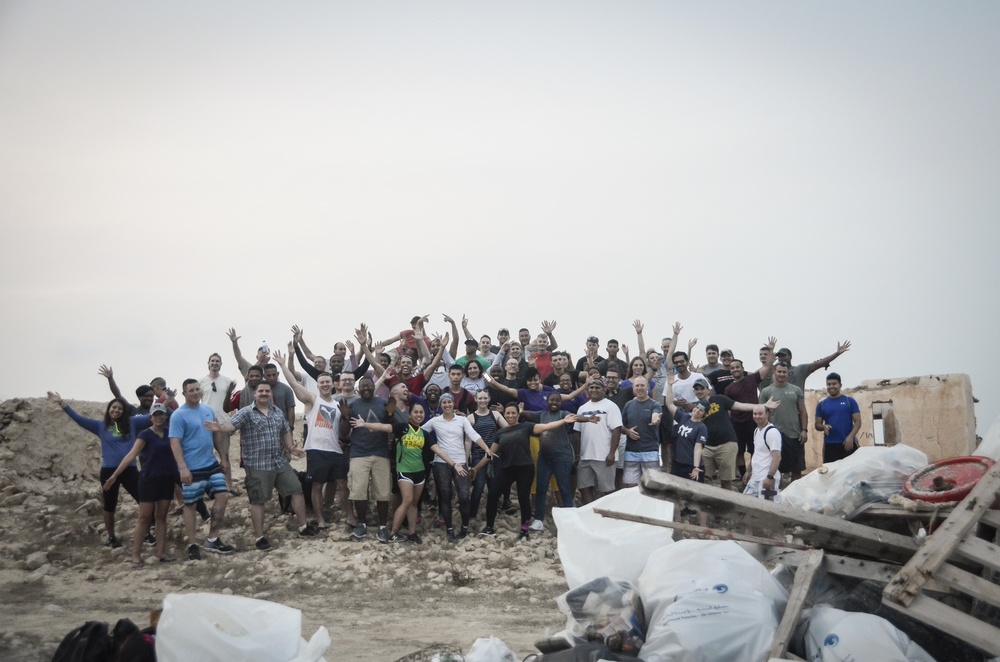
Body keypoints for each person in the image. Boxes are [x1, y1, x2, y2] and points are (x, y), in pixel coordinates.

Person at [207, 381, 319, 550]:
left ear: (271, 394)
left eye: (267, 391)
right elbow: (232, 424)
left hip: (278, 461)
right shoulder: (246, 412)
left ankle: (303, 527)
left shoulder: (277, 412)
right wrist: (220, 427)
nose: (265, 393)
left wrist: (290, 447)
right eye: (261, 391)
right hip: (257, 464)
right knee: (258, 501)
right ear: (255, 394)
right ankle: (260, 538)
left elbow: (284, 431)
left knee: (296, 490)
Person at [48, 391, 152, 548]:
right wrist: (61, 402)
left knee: (143, 500)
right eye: (113, 407)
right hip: (109, 470)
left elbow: (155, 415)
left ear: (124, 411)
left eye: (120, 408)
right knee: (110, 504)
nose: (116, 410)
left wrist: (167, 400)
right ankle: (111, 537)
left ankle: (146, 533)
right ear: (109, 409)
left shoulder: (132, 423)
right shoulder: (100, 426)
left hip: (129, 469)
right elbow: (78, 419)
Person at [273, 351, 349, 530]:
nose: (324, 384)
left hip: (335, 450)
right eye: (321, 382)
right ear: (317, 384)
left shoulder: (338, 405)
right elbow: (293, 383)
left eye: (327, 382)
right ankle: (320, 519)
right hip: (316, 450)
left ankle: (349, 516)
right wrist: (284, 365)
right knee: (317, 486)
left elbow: (343, 430)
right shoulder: (312, 400)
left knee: (343, 484)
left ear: (333, 385)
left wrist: (346, 422)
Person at [482, 403, 578, 539]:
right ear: (504, 415)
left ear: (518, 414)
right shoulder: (500, 432)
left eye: (513, 413)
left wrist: (563, 421)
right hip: (506, 469)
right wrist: (475, 468)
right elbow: (490, 453)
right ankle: (489, 527)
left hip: (524, 468)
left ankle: (524, 530)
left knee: (523, 499)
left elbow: (546, 426)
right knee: (492, 495)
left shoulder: (526, 427)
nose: (510, 415)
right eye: (508, 413)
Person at [101, 403, 177, 566]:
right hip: (149, 479)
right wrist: (115, 475)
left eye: (161, 414)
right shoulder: (145, 435)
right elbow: (131, 455)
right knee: (144, 517)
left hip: (166, 478)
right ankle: (136, 555)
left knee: (162, 517)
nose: (158, 417)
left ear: (165, 416)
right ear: (151, 417)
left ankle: (161, 552)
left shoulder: (171, 433)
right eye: (155, 415)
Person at [168, 379, 233, 560]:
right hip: (191, 468)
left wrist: (223, 457)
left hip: (210, 464)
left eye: (197, 389)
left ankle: (212, 538)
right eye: (191, 390)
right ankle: (192, 544)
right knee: (191, 505)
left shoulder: (208, 410)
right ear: (184, 393)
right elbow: (174, 442)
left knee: (223, 495)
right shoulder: (178, 415)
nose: (196, 393)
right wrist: (183, 468)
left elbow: (216, 435)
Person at [420, 393, 496, 541]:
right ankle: (449, 529)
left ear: (453, 404)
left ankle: (464, 527)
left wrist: (486, 448)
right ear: (441, 405)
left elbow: (473, 434)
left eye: (449, 402)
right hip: (441, 462)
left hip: (460, 461)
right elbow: (419, 432)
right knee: (446, 495)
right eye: (444, 403)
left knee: (463, 496)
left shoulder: (461, 420)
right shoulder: (434, 421)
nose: (447, 405)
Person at [339, 377, 393, 542]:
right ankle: (361, 524)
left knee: (383, 493)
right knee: (358, 491)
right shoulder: (353, 405)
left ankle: (382, 527)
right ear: (358, 389)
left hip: (381, 453)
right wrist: (346, 417)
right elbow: (343, 432)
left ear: (374, 387)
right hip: (358, 454)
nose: (366, 388)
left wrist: (391, 414)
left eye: (369, 385)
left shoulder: (383, 403)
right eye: (363, 386)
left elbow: (392, 427)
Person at [574, 378, 622, 504]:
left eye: (597, 387)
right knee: (584, 487)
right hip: (585, 457)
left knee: (607, 490)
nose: (594, 390)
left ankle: (610, 516)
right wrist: (578, 455)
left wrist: (612, 453)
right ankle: (590, 515)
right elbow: (577, 433)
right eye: (591, 387)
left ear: (604, 389)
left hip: (604, 456)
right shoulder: (582, 408)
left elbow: (617, 430)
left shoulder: (611, 406)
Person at [760, 362, 808, 483]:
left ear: (787, 373)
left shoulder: (795, 390)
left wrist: (804, 430)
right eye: (779, 371)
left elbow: (803, 411)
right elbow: (761, 413)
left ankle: (794, 496)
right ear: (774, 372)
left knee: (797, 470)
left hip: (795, 435)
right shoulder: (766, 391)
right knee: (776, 469)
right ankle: (776, 497)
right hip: (775, 436)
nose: (781, 374)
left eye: (784, 372)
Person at [467, 391, 507, 524]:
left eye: (485, 398)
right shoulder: (471, 418)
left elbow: (507, 430)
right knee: (478, 487)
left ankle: (493, 514)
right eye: (480, 398)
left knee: (494, 487)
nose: (483, 400)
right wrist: (467, 460)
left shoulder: (495, 414)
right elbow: (467, 441)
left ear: (489, 399)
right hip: (478, 455)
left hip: (495, 455)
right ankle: (472, 515)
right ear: (476, 399)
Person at [199, 353, 236, 492]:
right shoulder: (201, 382)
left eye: (217, 361)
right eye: (212, 361)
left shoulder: (227, 381)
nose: (215, 363)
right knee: (206, 455)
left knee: (224, 454)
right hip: (206, 423)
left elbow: (231, 405)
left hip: (222, 423)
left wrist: (233, 423)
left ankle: (229, 486)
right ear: (208, 363)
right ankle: (207, 486)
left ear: (221, 364)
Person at [620, 376, 663, 488]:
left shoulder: (655, 405)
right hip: (631, 451)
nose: (639, 388)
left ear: (647, 387)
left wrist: (655, 420)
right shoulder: (628, 405)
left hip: (650, 451)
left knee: (653, 486)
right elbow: (621, 426)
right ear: (633, 388)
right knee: (630, 486)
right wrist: (628, 432)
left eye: (642, 385)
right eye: (637, 385)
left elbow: (656, 415)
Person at [760, 341, 852, 391]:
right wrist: (770, 350)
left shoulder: (800, 370)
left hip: (796, 412)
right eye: (779, 356)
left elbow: (819, 363)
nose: (781, 358)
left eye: (784, 356)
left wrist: (837, 353)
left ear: (790, 357)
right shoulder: (773, 372)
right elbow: (763, 372)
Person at [814, 372, 862, 464]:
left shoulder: (849, 401)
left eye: (834, 384)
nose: (831, 386)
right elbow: (817, 424)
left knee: (851, 473)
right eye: (829, 384)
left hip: (848, 443)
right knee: (831, 473)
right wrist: (823, 427)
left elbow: (858, 422)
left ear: (840, 385)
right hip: (830, 444)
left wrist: (850, 437)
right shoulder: (822, 405)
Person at [743, 405, 782, 501]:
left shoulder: (772, 432)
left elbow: (777, 457)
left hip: (767, 479)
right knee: (744, 504)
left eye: (760, 414)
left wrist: (769, 477)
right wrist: (748, 471)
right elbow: (757, 453)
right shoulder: (757, 431)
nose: (757, 416)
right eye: (755, 414)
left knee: (769, 510)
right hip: (755, 477)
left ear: (767, 414)